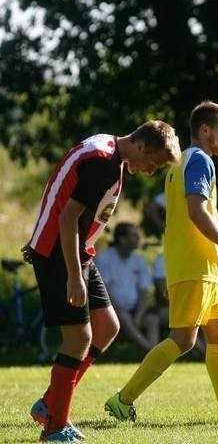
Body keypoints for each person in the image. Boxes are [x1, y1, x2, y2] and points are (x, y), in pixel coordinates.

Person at [22, 121, 180, 442]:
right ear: (139, 146)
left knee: (107, 327)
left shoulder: (109, 150)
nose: (150, 172)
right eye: (152, 163)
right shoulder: (102, 164)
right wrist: (73, 276)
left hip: (76, 251)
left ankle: (50, 403)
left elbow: (62, 188)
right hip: (60, 254)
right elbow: (67, 218)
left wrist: (42, 233)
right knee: (79, 338)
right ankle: (55, 427)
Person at [105, 101, 218, 423]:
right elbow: (196, 213)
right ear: (205, 130)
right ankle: (122, 399)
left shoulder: (180, 162)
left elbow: (173, 223)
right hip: (196, 266)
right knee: (184, 340)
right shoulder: (199, 160)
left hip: (198, 267)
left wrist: (173, 271)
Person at [94, 222, 159, 352]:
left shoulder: (139, 260)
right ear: (122, 240)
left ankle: (155, 352)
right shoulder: (104, 258)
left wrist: (139, 315)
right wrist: (120, 310)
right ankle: (150, 351)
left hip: (135, 311)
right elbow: (104, 291)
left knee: (152, 319)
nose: (138, 239)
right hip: (110, 310)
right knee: (124, 317)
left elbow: (144, 291)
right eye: (134, 236)